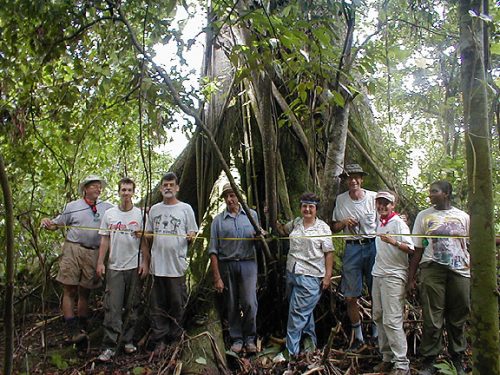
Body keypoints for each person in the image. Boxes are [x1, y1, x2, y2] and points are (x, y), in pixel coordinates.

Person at [41, 175, 113, 345]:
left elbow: (121, 216)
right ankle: (72, 327)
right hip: (73, 249)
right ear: (85, 189)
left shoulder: (107, 207)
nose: (98, 189)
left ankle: (82, 323)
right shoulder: (73, 206)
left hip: (94, 251)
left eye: (99, 186)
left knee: (85, 290)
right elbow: (56, 224)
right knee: (69, 288)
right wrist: (47, 222)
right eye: (94, 186)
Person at [408, 181, 470, 375]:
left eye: (434, 192)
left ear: (446, 193)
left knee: (458, 316)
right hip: (432, 269)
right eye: (430, 192)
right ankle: (430, 359)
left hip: (460, 270)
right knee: (432, 318)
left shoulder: (463, 217)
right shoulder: (423, 216)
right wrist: (411, 277)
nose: (430, 195)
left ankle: (457, 357)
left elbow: (470, 245)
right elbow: (418, 248)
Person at [142, 172, 198, 353]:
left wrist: (191, 236)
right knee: (157, 304)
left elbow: (193, 233)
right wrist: (140, 234)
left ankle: (175, 338)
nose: (168, 188)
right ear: (160, 188)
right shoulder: (155, 209)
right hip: (157, 265)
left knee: (176, 302)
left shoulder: (186, 209)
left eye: (171, 185)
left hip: (176, 265)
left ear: (177, 188)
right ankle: (160, 339)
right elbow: (149, 234)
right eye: (165, 185)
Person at [96, 178, 149, 362]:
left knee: (133, 305)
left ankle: (128, 341)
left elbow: (144, 242)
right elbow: (104, 240)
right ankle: (109, 345)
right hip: (114, 266)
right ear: (118, 192)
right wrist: (100, 263)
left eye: (129, 190)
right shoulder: (110, 214)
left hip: (134, 266)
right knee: (113, 306)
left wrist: (145, 263)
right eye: (123, 190)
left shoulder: (140, 215)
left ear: (134, 192)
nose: (126, 193)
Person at [208, 183, 261, 354]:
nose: (230, 199)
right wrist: (217, 277)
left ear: (239, 196)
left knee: (249, 303)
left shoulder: (252, 215)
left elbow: (259, 240)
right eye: (227, 196)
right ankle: (237, 339)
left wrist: (261, 237)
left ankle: (250, 338)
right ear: (223, 199)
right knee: (231, 303)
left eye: (233, 195)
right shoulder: (218, 221)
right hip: (227, 264)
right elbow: (213, 251)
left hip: (248, 263)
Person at [331, 163, 377, 351]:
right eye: (350, 178)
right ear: (345, 181)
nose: (353, 181)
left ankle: (376, 334)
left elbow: (387, 217)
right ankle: (358, 337)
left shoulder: (373, 198)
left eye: (357, 177)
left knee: (377, 293)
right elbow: (334, 227)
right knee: (350, 296)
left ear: (362, 179)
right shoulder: (341, 200)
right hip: (352, 248)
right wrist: (343, 222)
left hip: (373, 246)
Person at [282, 193, 334, 357]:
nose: (307, 209)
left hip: (311, 276)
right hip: (292, 272)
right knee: (305, 312)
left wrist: (327, 276)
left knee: (296, 314)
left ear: (316, 209)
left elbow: (329, 253)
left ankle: (291, 352)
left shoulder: (323, 228)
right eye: (304, 206)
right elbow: (283, 230)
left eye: (311, 206)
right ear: (300, 208)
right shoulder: (296, 223)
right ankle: (310, 346)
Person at [372, 191, 414, 375]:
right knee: (379, 316)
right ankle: (387, 357)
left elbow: (411, 249)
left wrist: (394, 242)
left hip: (394, 276)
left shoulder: (398, 223)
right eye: (379, 203)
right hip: (378, 273)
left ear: (392, 206)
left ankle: (402, 363)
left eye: (385, 204)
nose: (382, 206)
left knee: (392, 319)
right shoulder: (379, 222)